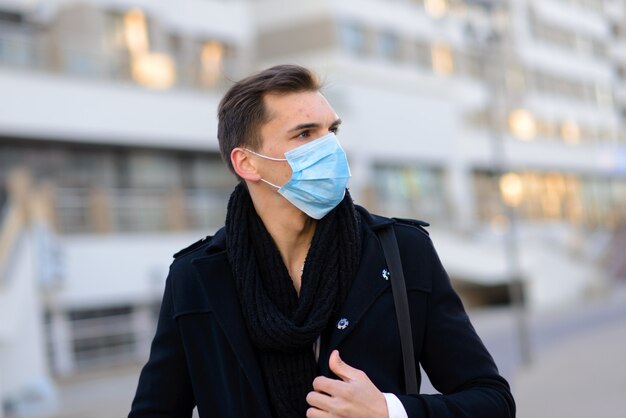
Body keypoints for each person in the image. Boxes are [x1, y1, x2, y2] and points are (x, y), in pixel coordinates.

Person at [129, 64, 515, 418]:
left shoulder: (400, 251)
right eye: (305, 133)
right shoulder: (197, 277)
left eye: (331, 131)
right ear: (246, 162)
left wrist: (390, 412)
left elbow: (492, 400)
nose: (330, 146)